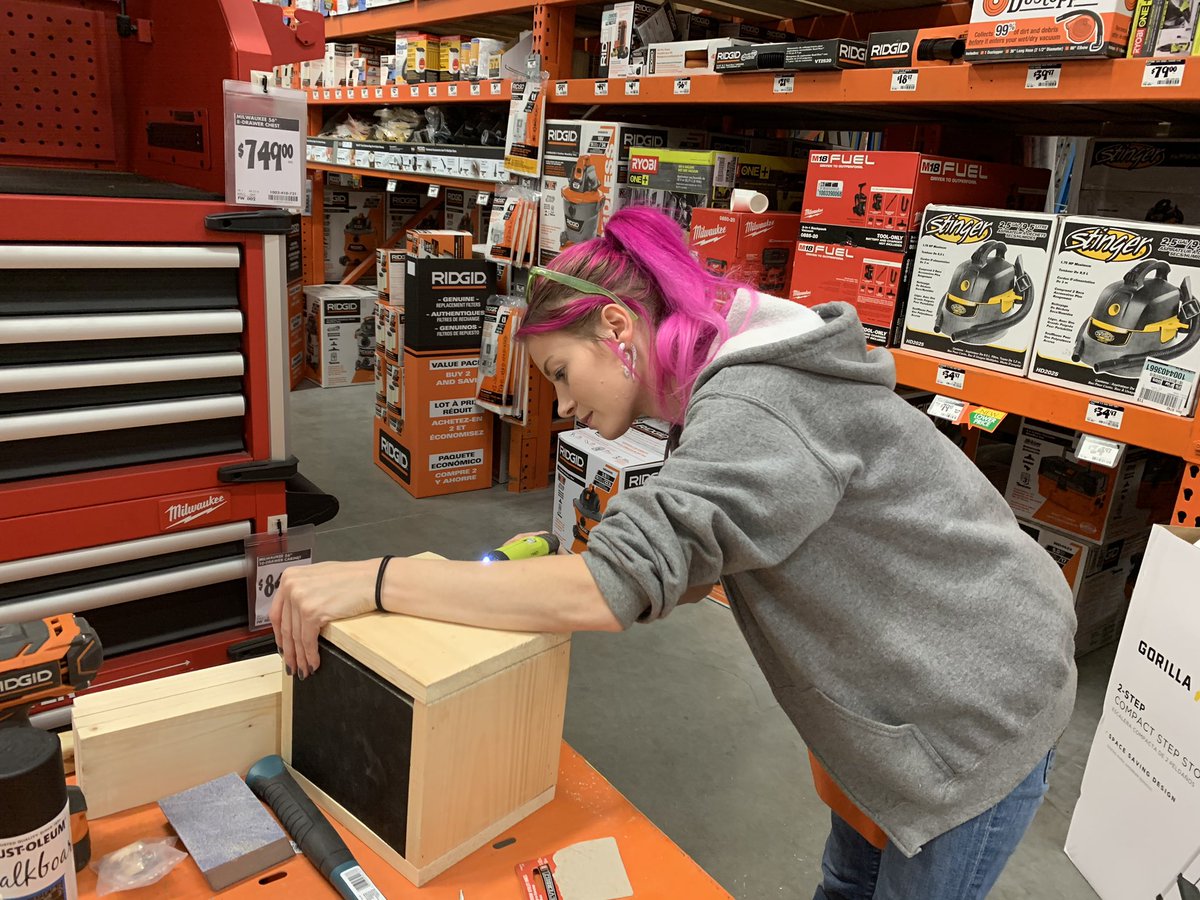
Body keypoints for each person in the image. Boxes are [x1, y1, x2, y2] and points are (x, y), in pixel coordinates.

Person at [271, 206, 1077, 899]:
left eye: (559, 372)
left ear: (616, 328)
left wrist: (385, 579)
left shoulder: (760, 404)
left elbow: (610, 590)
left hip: (971, 713)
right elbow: (687, 564)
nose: (560, 406)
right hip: (901, 696)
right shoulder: (731, 384)